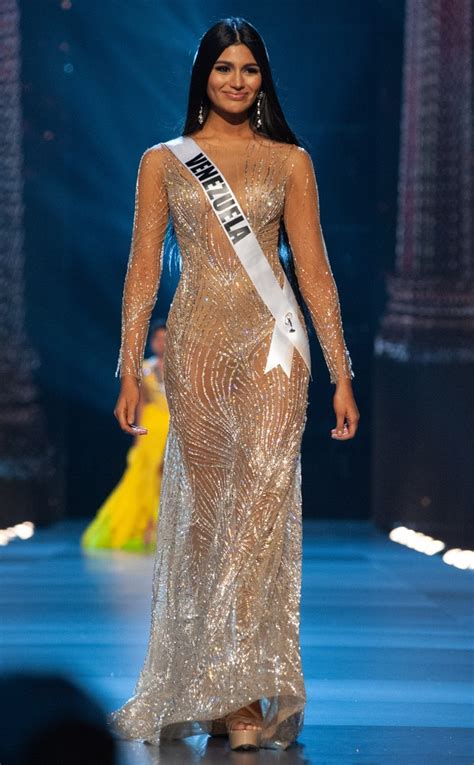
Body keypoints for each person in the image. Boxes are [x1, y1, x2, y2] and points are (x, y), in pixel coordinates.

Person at [111, 16, 359, 752]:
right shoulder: (164, 161)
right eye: (224, 68)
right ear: (205, 76)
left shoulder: (291, 161)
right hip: (196, 349)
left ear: (263, 80)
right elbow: (142, 270)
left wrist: (342, 373)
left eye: (249, 69)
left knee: (258, 516)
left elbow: (315, 272)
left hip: (275, 350)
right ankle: (215, 684)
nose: (237, 81)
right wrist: (128, 366)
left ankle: (241, 691)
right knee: (210, 521)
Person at [82, 320, 169, 553]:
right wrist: (137, 433)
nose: (162, 343)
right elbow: (141, 403)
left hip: (172, 427)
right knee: (144, 478)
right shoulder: (145, 368)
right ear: (152, 342)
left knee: (166, 479)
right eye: (158, 338)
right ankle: (145, 530)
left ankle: (164, 532)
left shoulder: (181, 367)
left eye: (166, 338)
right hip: (151, 429)